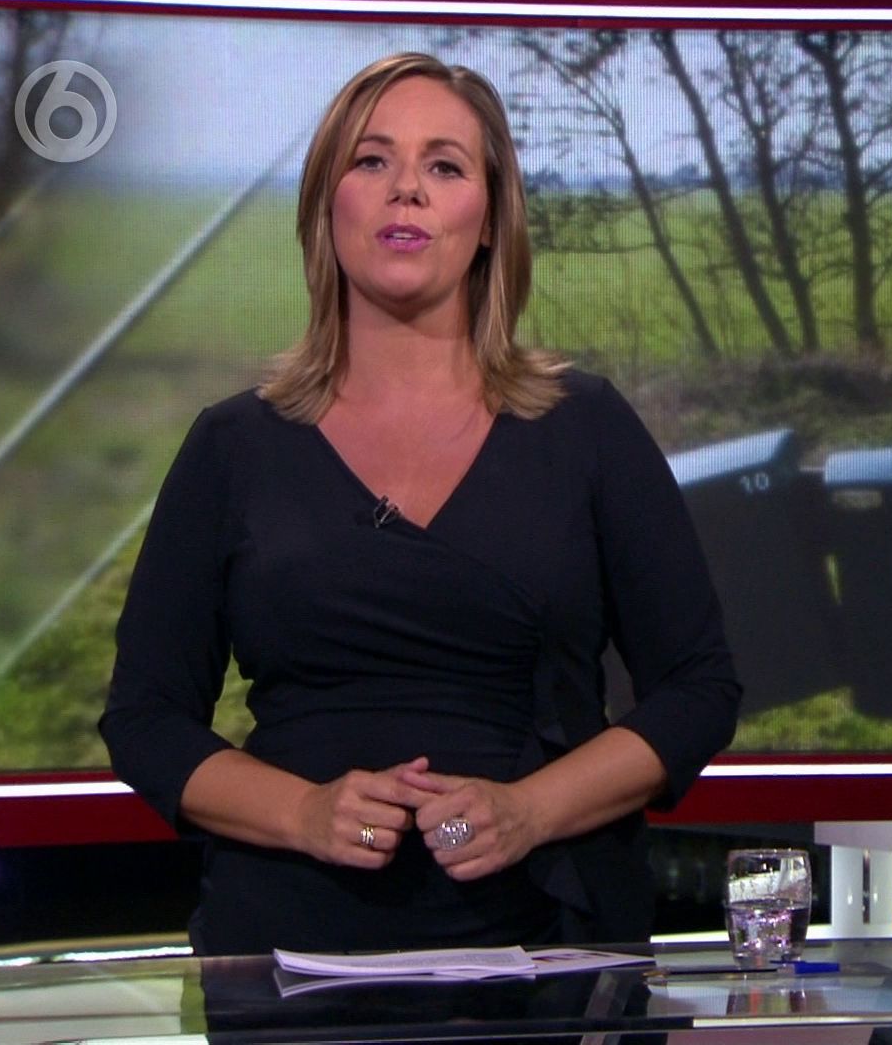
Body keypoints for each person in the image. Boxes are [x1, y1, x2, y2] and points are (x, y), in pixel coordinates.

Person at [100, 53, 741, 955]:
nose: (407, 188)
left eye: (444, 165)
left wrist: (529, 811)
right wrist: (303, 813)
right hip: (291, 948)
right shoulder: (234, 446)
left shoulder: (585, 428)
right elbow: (146, 717)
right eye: (372, 160)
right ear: (327, 207)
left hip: (543, 942)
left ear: (490, 221)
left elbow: (698, 689)